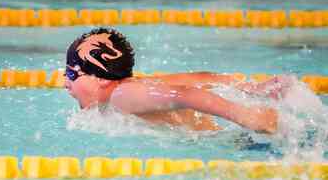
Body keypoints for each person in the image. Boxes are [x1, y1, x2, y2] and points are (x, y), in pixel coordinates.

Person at [65, 27, 292, 134]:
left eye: (72, 74)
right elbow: (199, 79)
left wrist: (247, 116)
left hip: (230, 145)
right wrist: (252, 89)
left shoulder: (121, 96)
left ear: (101, 79)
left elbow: (185, 94)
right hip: (235, 140)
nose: (65, 82)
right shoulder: (134, 85)